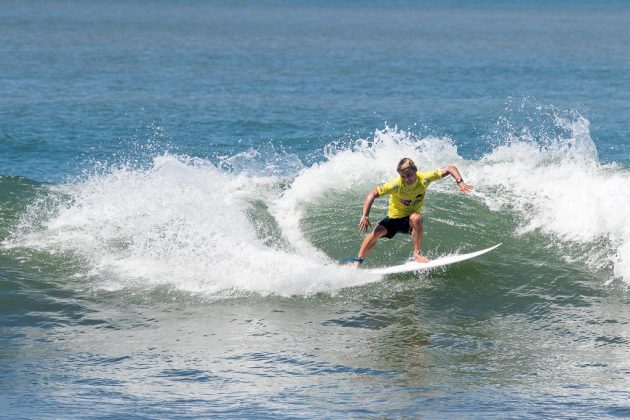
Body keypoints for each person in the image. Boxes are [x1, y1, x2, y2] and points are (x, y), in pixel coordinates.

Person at [352, 157, 472, 266]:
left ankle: (417, 255)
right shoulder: (395, 185)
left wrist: (459, 181)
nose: (406, 179)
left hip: (409, 221)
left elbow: (450, 168)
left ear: (415, 170)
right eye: (402, 176)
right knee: (375, 234)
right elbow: (371, 194)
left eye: (408, 175)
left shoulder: (424, 179)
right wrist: (365, 215)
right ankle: (358, 261)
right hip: (393, 219)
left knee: (416, 218)